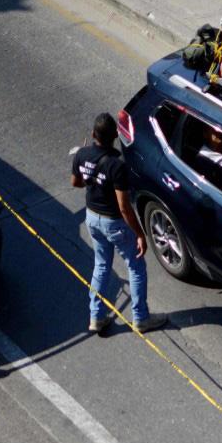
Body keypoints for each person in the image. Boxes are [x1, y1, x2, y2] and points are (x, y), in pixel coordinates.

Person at [71, 112, 164, 335]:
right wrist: (140, 234)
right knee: (136, 266)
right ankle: (141, 318)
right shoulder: (117, 164)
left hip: (92, 217)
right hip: (114, 222)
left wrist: (89, 173)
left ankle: (96, 316)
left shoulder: (81, 154)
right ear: (115, 136)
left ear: (93, 134)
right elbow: (124, 207)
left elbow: (76, 183)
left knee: (101, 265)